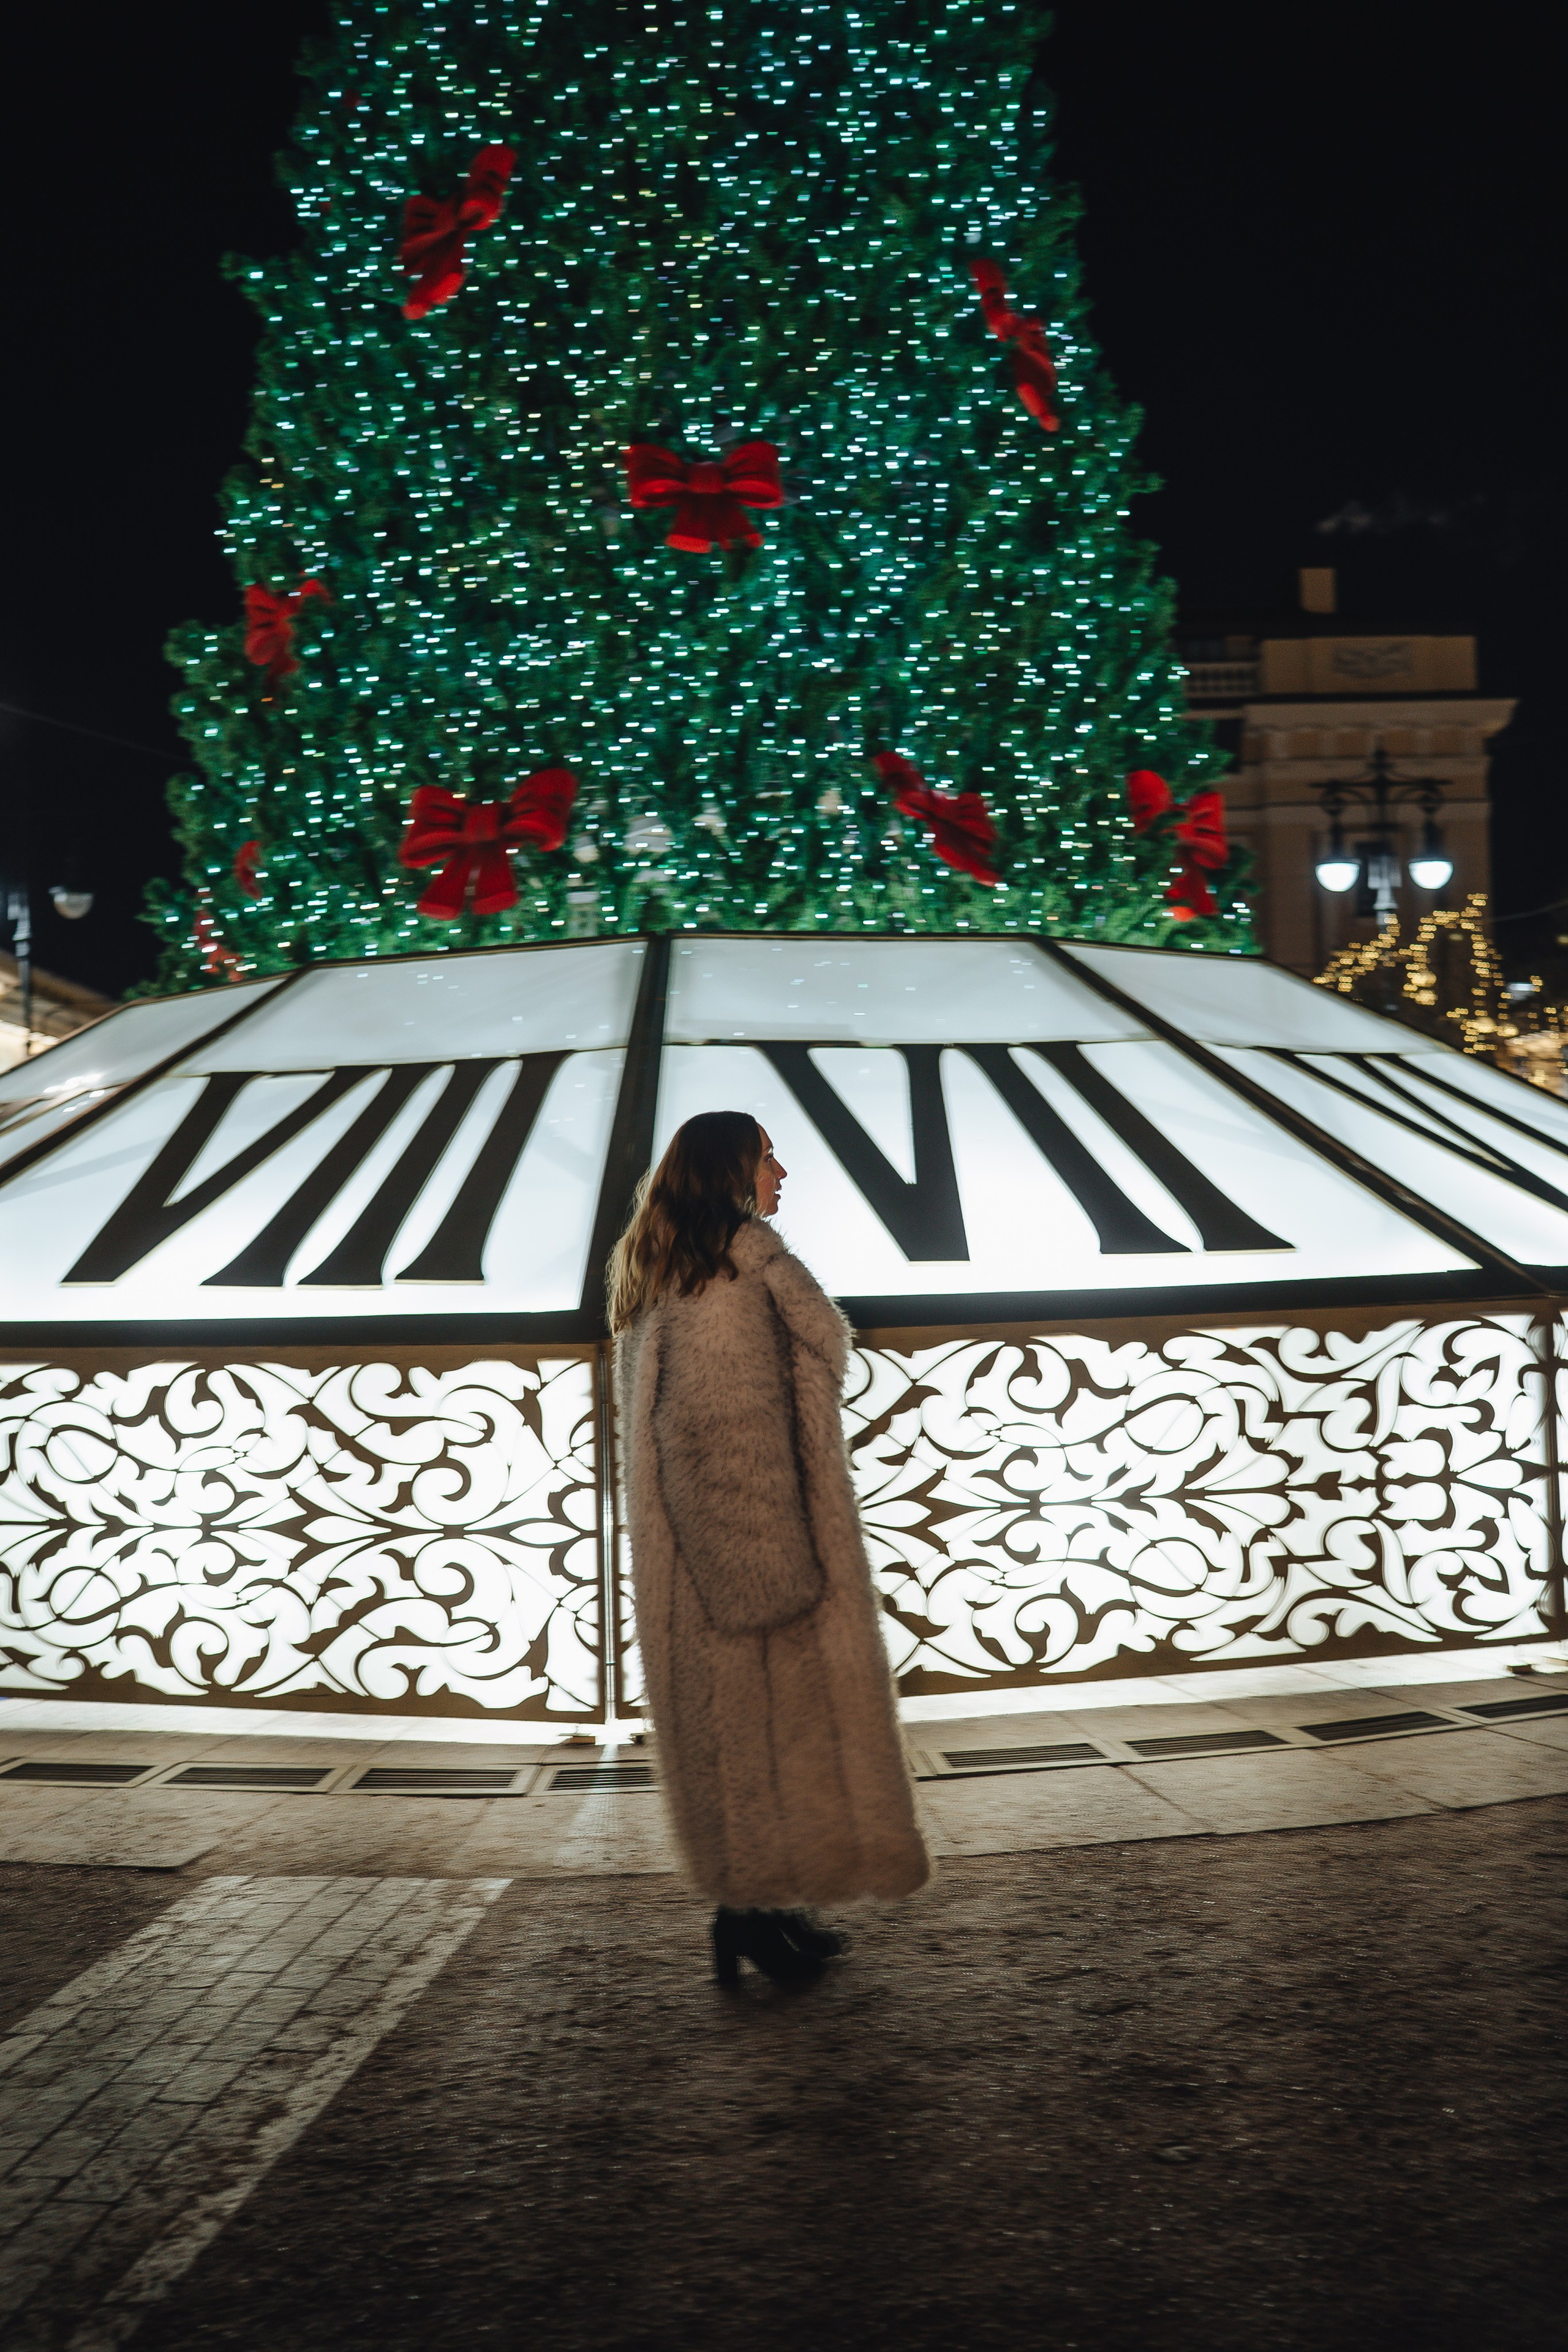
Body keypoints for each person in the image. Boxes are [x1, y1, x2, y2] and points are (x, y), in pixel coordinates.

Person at [609, 1110, 930, 1986]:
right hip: (753, 1560)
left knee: (751, 1744)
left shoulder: (692, 1267)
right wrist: (764, 1571)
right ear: (729, 1172)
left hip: (733, 1555)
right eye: (766, 1158)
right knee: (757, 1738)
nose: (781, 1173)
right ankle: (749, 1916)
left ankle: (763, 1907)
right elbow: (717, 1435)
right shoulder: (726, 1278)